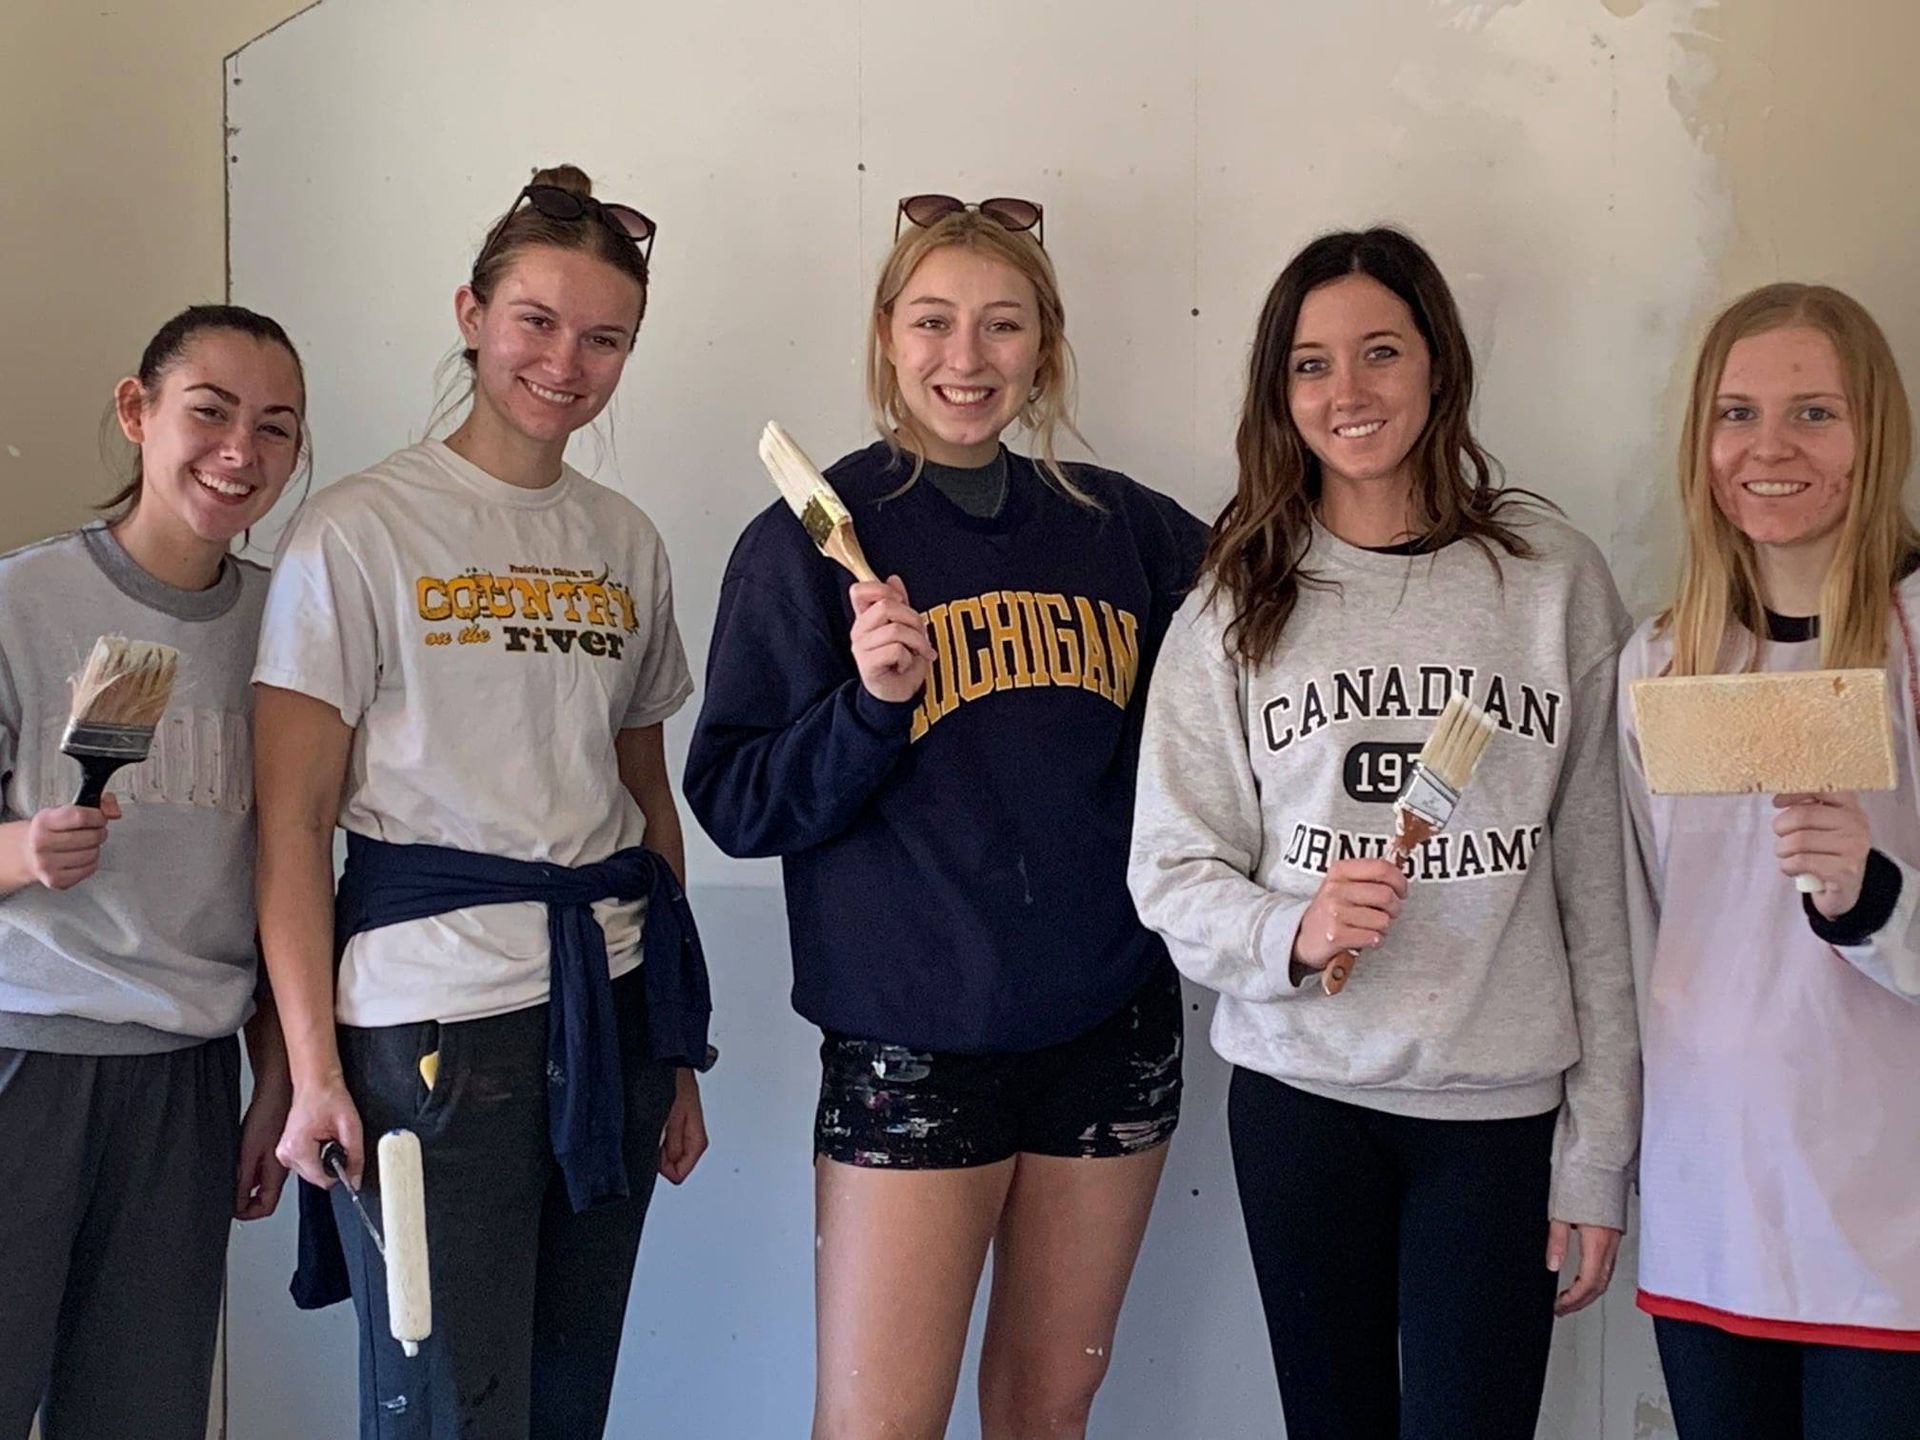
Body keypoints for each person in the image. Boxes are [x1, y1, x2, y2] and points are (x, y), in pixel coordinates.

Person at [685, 193, 1204, 1440]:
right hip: (913, 1041)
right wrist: (867, 708)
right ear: (885, 335)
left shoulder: (1124, 527)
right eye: (933, 322)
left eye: (1001, 325)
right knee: (879, 1425)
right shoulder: (806, 543)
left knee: (1049, 1404)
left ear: (1046, 344)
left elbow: (1271, 645)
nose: (965, 360)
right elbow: (736, 802)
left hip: (1110, 1027)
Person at [1128, 226, 1639, 1440]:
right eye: (1311, 365)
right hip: (1306, 1104)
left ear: (1438, 365)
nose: (1347, 393)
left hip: (1499, 1113)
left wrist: (1598, 1152)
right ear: (1278, 390)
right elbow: (1171, 867)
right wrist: (1291, 930)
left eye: (1379, 353)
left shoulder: (1554, 583)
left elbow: (1603, 890)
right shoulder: (1236, 603)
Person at [253, 165, 710, 1440]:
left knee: (568, 1397)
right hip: (430, 1027)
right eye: (537, 322)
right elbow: (289, 827)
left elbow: (644, 804)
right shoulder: (358, 532)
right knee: (445, 1405)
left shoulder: (624, 541)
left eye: (605, 337)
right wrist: (308, 1073)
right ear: (472, 313)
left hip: (608, 1009)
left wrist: (672, 1045)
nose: (568, 362)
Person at [0, 304, 305, 1439]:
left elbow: (293, 868)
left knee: (141, 1413)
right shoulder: (23, 601)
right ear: (138, 412)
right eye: (210, 413)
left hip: (186, 1079)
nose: (241, 451)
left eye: (275, 429)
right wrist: (25, 849)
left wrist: (272, 1074)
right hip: (24, 1055)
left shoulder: (289, 623)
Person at [1621, 283, 1920, 1440]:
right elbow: (1640, 926)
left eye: (1815, 414)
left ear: (1875, 431)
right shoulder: (1660, 659)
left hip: (1885, 1219)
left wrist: (1875, 899)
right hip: (1714, 1211)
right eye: (1737, 414)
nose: (1770, 448)